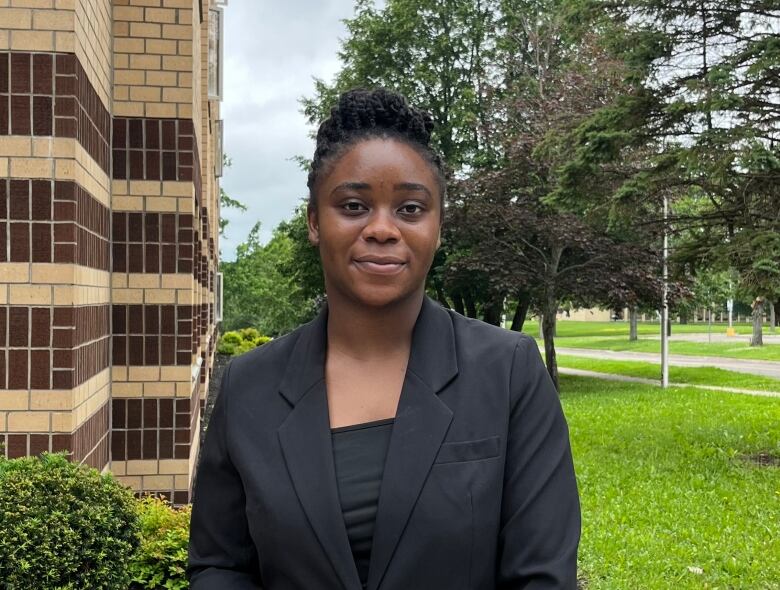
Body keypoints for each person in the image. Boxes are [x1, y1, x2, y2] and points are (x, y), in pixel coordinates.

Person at [187, 88, 580, 589]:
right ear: (314, 222)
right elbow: (220, 566)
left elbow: (542, 576)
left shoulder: (508, 373)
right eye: (353, 205)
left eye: (411, 209)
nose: (382, 229)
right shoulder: (248, 387)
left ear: (438, 227)